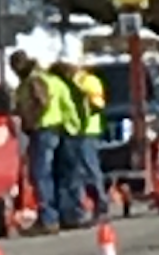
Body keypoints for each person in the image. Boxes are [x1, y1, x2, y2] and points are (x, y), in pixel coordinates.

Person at [10, 47, 70, 235]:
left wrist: (31, 119)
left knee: (41, 175)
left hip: (43, 130)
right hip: (51, 129)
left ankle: (48, 219)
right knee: (49, 174)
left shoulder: (34, 80)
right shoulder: (38, 78)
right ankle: (56, 215)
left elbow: (41, 101)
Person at [64, 61, 107, 222]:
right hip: (76, 130)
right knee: (79, 171)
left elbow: (98, 104)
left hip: (87, 129)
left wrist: (83, 100)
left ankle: (100, 203)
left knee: (90, 169)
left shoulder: (89, 82)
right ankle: (86, 205)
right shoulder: (72, 83)